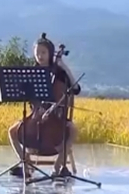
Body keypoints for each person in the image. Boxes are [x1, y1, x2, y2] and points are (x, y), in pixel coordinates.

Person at [7, 34, 82, 178]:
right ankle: (25, 162)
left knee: (72, 130)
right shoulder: (31, 73)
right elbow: (26, 94)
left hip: (56, 119)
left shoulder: (60, 74)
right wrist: (37, 104)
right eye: (37, 53)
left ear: (50, 54)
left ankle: (58, 166)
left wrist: (64, 66)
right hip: (35, 116)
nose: (40, 56)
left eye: (43, 53)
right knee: (12, 131)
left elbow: (76, 89)